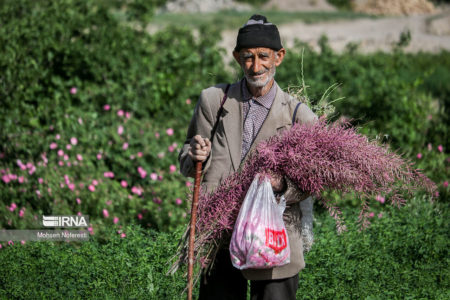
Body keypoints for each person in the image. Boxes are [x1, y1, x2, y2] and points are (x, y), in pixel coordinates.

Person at [179, 14, 317, 300]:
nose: (256, 67)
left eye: (263, 57)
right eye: (248, 57)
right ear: (237, 58)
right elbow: (186, 158)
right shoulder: (214, 101)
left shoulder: (297, 115)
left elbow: (314, 181)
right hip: (220, 235)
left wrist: (283, 185)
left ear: (279, 57)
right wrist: (194, 155)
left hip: (273, 241)